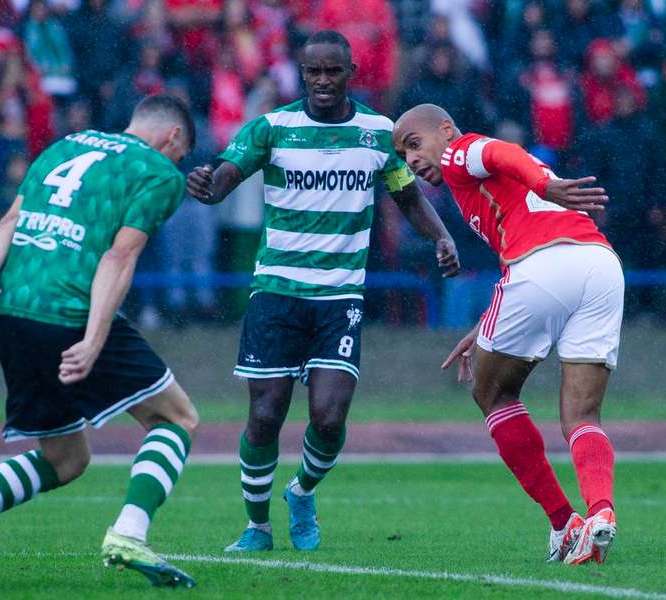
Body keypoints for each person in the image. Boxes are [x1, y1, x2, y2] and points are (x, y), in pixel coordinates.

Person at [0, 95, 200, 588]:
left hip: (13, 310)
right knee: (176, 417)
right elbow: (118, 258)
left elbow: (9, 222)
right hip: (69, 310)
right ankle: (129, 533)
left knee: (67, 458)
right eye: (181, 155)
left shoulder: (62, 146)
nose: (178, 164)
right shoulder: (160, 172)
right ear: (172, 138)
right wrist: (96, 336)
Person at [186, 31, 459, 553]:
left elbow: (406, 197)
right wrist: (206, 183)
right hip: (276, 291)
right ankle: (257, 527)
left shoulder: (378, 132)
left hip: (339, 296)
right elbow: (226, 175)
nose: (323, 81)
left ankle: (303, 491)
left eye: (333, 71)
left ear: (351, 72)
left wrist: (442, 237)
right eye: (314, 72)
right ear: (302, 73)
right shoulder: (273, 127)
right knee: (265, 415)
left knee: (330, 416)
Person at [392, 104, 620, 566]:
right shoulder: (480, 187)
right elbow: (520, 234)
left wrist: (546, 185)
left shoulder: (461, 151)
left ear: (446, 129)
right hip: (599, 265)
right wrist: (481, 328)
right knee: (581, 413)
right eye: (403, 156)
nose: (411, 162)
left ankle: (563, 523)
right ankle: (600, 512)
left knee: (491, 393)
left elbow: (499, 152)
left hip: (542, 267)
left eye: (414, 145)